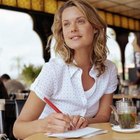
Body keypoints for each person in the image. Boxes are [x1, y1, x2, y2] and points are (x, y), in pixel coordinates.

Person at [13, 0, 118, 139]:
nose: (72, 28)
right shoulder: (53, 71)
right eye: (66, 24)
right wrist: (45, 124)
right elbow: (18, 129)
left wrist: (85, 121)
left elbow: (103, 116)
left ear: (95, 27)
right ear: (62, 32)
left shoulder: (109, 69)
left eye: (80, 21)